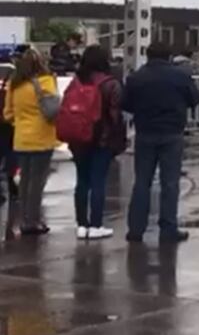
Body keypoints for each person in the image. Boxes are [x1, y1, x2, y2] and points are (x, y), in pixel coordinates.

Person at [123, 42, 199, 244]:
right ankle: (168, 228)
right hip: (172, 132)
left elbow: (126, 104)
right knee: (170, 183)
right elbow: (195, 99)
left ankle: (136, 229)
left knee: (142, 182)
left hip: (145, 132)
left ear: (148, 56)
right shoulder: (180, 76)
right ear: (169, 57)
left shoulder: (136, 77)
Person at [67, 45, 126, 240]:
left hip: (78, 138)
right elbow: (116, 115)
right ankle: (96, 224)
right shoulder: (111, 84)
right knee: (98, 181)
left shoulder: (76, 82)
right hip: (102, 140)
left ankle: (81, 225)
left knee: (82, 181)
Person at [2, 49, 58, 236]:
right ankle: (32, 221)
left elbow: (7, 114)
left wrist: (20, 122)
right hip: (42, 138)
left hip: (21, 138)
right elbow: (54, 109)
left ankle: (25, 218)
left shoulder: (14, 85)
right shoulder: (46, 81)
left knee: (25, 180)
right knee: (37, 182)